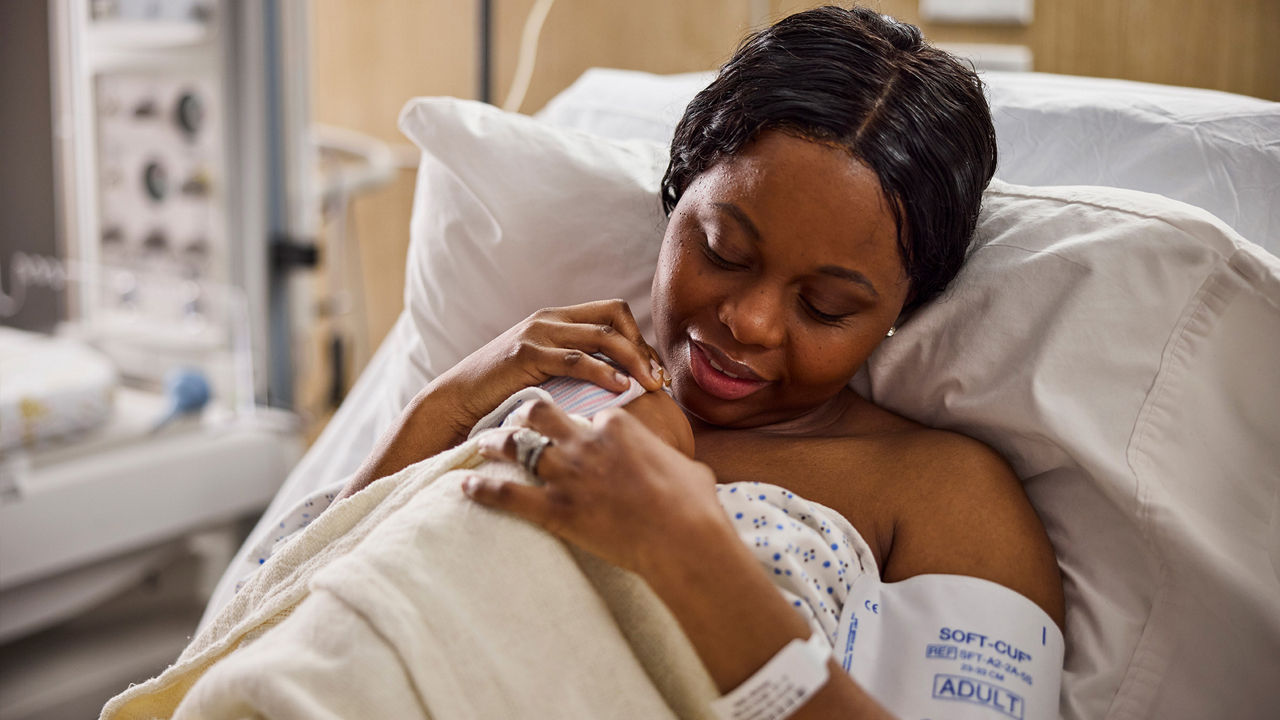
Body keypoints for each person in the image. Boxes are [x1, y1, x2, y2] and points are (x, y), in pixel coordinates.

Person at [338, 6, 1064, 718]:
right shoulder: (561, 391)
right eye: (723, 251)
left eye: (825, 306)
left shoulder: (943, 495)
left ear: (904, 308)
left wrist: (690, 557)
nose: (749, 321)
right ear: (679, 189)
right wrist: (447, 405)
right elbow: (295, 595)